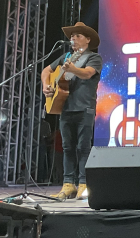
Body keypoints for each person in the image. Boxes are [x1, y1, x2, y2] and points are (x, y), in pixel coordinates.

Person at [41, 22, 103, 201]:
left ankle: (84, 184)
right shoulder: (66, 57)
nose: (73, 39)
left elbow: (88, 74)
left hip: (85, 107)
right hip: (66, 107)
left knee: (83, 147)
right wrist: (46, 86)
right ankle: (68, 184)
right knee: (67, 148)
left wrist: (72, 68)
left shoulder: (94, 57)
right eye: (72, 36)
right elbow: (46, 70)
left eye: (78, 36)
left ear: (88, 39)